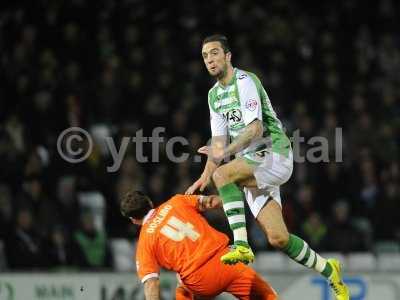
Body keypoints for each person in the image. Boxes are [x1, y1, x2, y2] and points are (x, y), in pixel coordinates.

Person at [185, 34, 350, 300]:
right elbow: (217, 142)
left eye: (214, 53)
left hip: (274, 153)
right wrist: (204, 177)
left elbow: (256, 128)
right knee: (278, 238)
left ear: (228, 56)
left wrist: (224, 157)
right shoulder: (213, 96)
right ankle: (328, 269)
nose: (209, 60)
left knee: (224, 174)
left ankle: (240, 244)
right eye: (205, 56)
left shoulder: (245, 81)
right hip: (250, 166)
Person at [120, 190, 277, 300]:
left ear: (133, 220)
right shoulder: (177, 201)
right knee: (267, 295)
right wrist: (231, 198)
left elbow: (151, 284)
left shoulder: (144, 242)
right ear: (149, 202)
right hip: (225, 262)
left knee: (182, 285)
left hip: (198, 281)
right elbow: (212, 202)